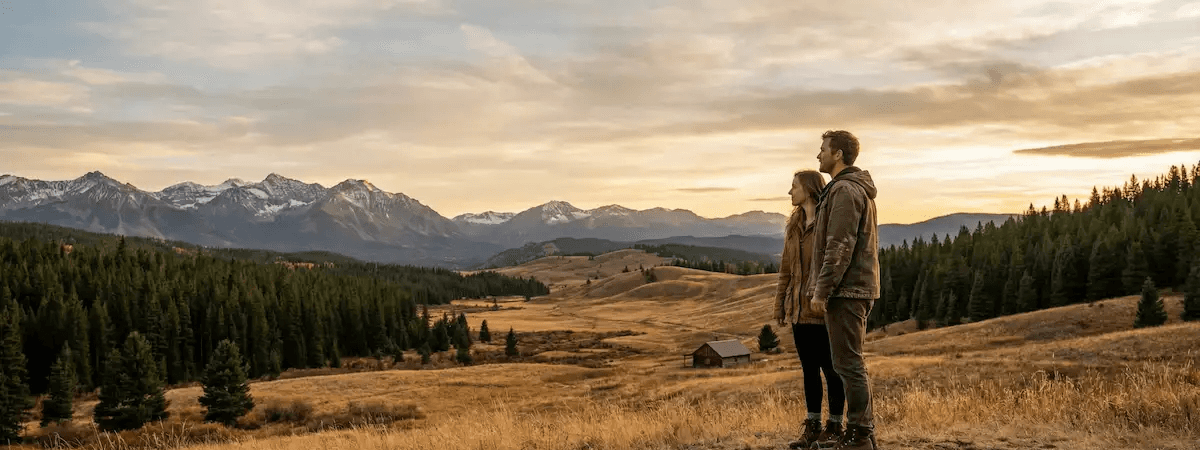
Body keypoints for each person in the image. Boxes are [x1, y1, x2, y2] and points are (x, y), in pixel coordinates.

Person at [806, 130, 880, 450]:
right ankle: (862, 434)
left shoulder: (845, 191)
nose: (818, 155)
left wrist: (821, 292)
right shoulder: (845, 189)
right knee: (848, 362)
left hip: (848, 292)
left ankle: (859, 436)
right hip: (851, 289)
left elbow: (839, 247)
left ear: (837, 154)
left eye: (822, 149)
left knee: (849, 364)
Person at [776, 170, 846, 449]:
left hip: (823, 310)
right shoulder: (794, 225)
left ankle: (835, 427)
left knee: (831, 370)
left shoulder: (827, 223)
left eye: (793, 187)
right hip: (798, 311)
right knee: (809, 370)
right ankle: (813, 426)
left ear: (808, 189)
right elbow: (785, 270)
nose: (789, 192)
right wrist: (780, 304)